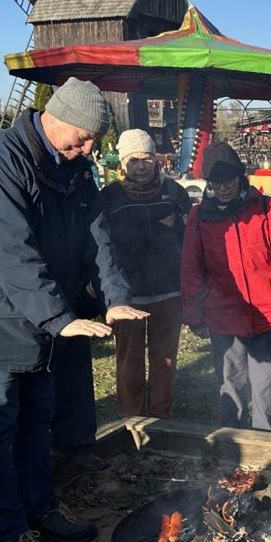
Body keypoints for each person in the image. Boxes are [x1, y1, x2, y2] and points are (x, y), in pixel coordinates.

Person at [0, 78, 146, 542]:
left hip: (43, 323)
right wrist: (60, 317)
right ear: (54, 115)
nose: (92, 148)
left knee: (37, 423)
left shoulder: (75, 168)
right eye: (86, 135)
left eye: (97, 139)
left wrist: (115, 300)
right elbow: (11, 253)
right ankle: (9, 531)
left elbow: (101, 241)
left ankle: (42, 508)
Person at [181, 141, 271, 431]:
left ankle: (268, 449)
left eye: (229, 180)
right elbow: (192, 271)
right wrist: (194, 316)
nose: (224, 187)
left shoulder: (265, 208)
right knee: (231, 387)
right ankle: (233, 450)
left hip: (269, 316)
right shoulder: (199, 217)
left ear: (241, 177)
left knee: (268, 389)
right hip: (223, 318)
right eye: (216, 182)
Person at [100, 128, 193, 417]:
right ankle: (132, 419)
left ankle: (161, 419)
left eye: (146, 159)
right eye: (133, 160)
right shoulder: (109, 197)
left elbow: (190, 239)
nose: (141, 166)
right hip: (128, 295)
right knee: (129, 363)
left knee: (165, 361)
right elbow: (103, 246)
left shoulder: (174, 192)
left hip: (168, 291)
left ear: (156, 161)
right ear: (122, 164)